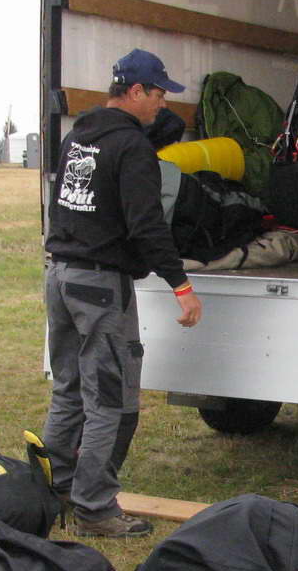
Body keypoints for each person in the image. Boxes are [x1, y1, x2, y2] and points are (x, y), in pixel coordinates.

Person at [43, 48, 202, 537]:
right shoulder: (131, 148)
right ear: (135, 91)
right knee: (109, 399)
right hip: (99, 288)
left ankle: (55, 491)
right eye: (158, 94)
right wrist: (181, 285)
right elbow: (147, 225)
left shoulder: (79, 136)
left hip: (61, 276)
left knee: (69, 391)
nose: (163, 104)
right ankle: (94, 509)